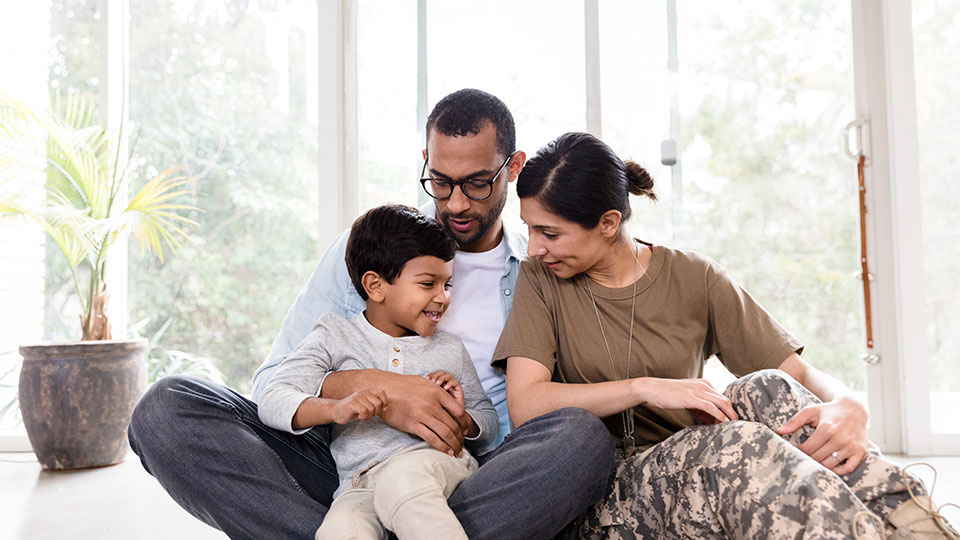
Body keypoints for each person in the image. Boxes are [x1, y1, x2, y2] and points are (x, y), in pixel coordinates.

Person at [127, 90, 616, 540]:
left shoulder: (540, 269)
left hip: (465, 474)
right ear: (425, 161)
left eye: (477, 183)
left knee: (581, 440)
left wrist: (462, 422)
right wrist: (386, 393)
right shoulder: (365, 250)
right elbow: (275, 383)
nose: (457, 203)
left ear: (513, 168)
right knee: (166, 410)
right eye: (441, 182)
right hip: (347, 467)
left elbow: (509, 423)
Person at [493, 131, 959, 539]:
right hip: (610, 497)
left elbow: (798, 376)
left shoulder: (693, 275)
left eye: (549, 233)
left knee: (767, 388)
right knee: (734, 447)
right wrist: (645, 387)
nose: (534, 247)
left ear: (609, 223)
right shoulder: (541, 280)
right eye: (531, 229)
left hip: (694, 472)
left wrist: (852, 406)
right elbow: (526, 402)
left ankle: (919, 527)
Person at [259, 204, 498, 540]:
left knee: (401, 483)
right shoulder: (333, 335)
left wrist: (463, 419)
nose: (442, 298)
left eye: (448, 285)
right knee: (338, 533)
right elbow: (273, 398)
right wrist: (332, 408)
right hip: (359, 483)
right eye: (428, 283)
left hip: (434, 467)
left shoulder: (449, 349)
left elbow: (487, 421)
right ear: (375, 286)